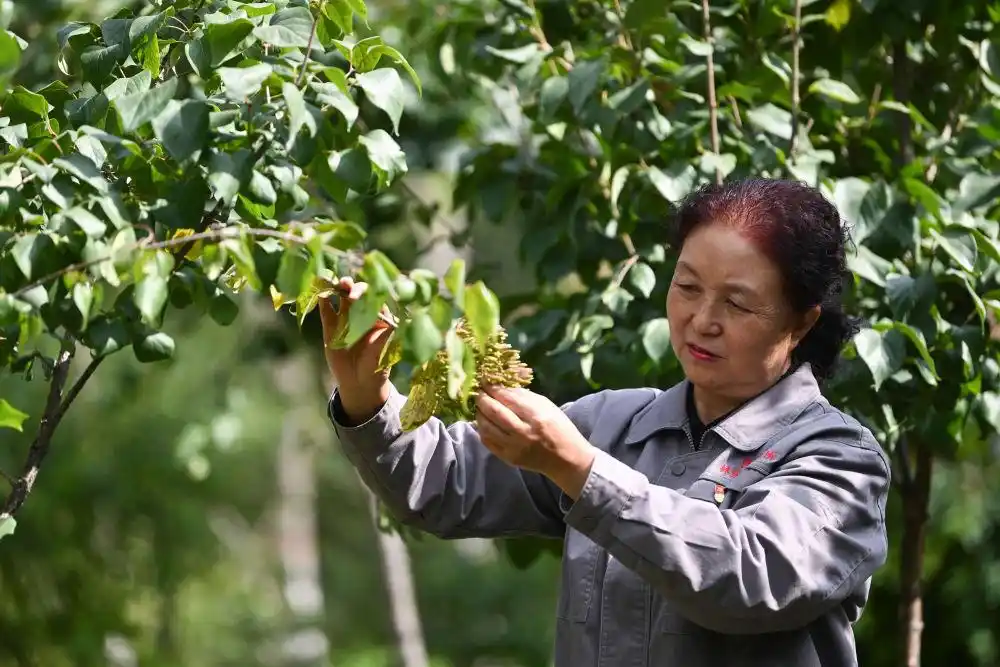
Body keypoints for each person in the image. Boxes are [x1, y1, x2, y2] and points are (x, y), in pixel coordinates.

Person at [319, 178, 891, 667]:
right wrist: (367, 395)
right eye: (687, 287)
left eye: (737, 304)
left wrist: (581, 470)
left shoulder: (840, 459)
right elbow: (444, 484)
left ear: (800, 322)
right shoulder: (614, 423)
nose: (701, 320)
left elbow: (751, 577)